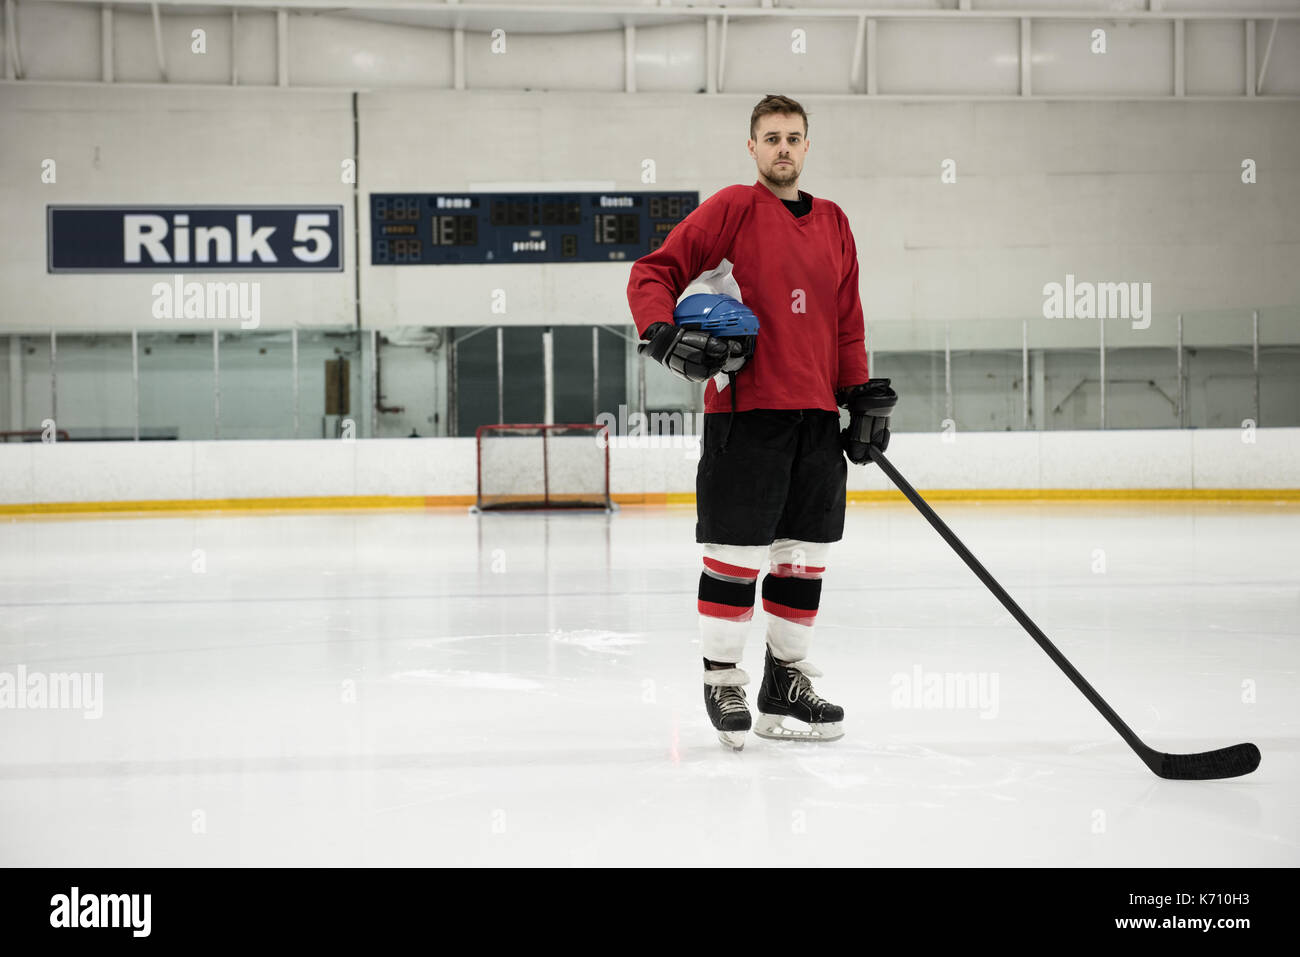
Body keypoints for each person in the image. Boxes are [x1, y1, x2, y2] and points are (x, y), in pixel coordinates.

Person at [626, 93, 898, 750]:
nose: (783, 147)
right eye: (770, 137)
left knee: (804, 557)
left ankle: (786, 680)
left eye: (793, 137)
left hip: (814, 416)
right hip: (745, 413)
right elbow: (652, 271)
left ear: (808, 146)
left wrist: (857, 393)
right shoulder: (732, 208)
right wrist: (660, 332)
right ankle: (723, 677)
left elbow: (847, 320)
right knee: (737, 555)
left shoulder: (834, 221)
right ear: (752, 148)